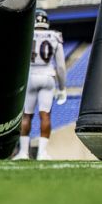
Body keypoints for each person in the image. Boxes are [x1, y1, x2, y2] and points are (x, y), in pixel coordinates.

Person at [15, 9, 68, 161]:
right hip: (48, 76)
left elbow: (19, 60)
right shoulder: (55, 36)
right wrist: (62, 87)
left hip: (30, 76)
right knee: (45, 115)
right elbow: (61, 66)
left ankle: (23, 153)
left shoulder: (26, 35)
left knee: (26, 115)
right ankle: (42, 153)